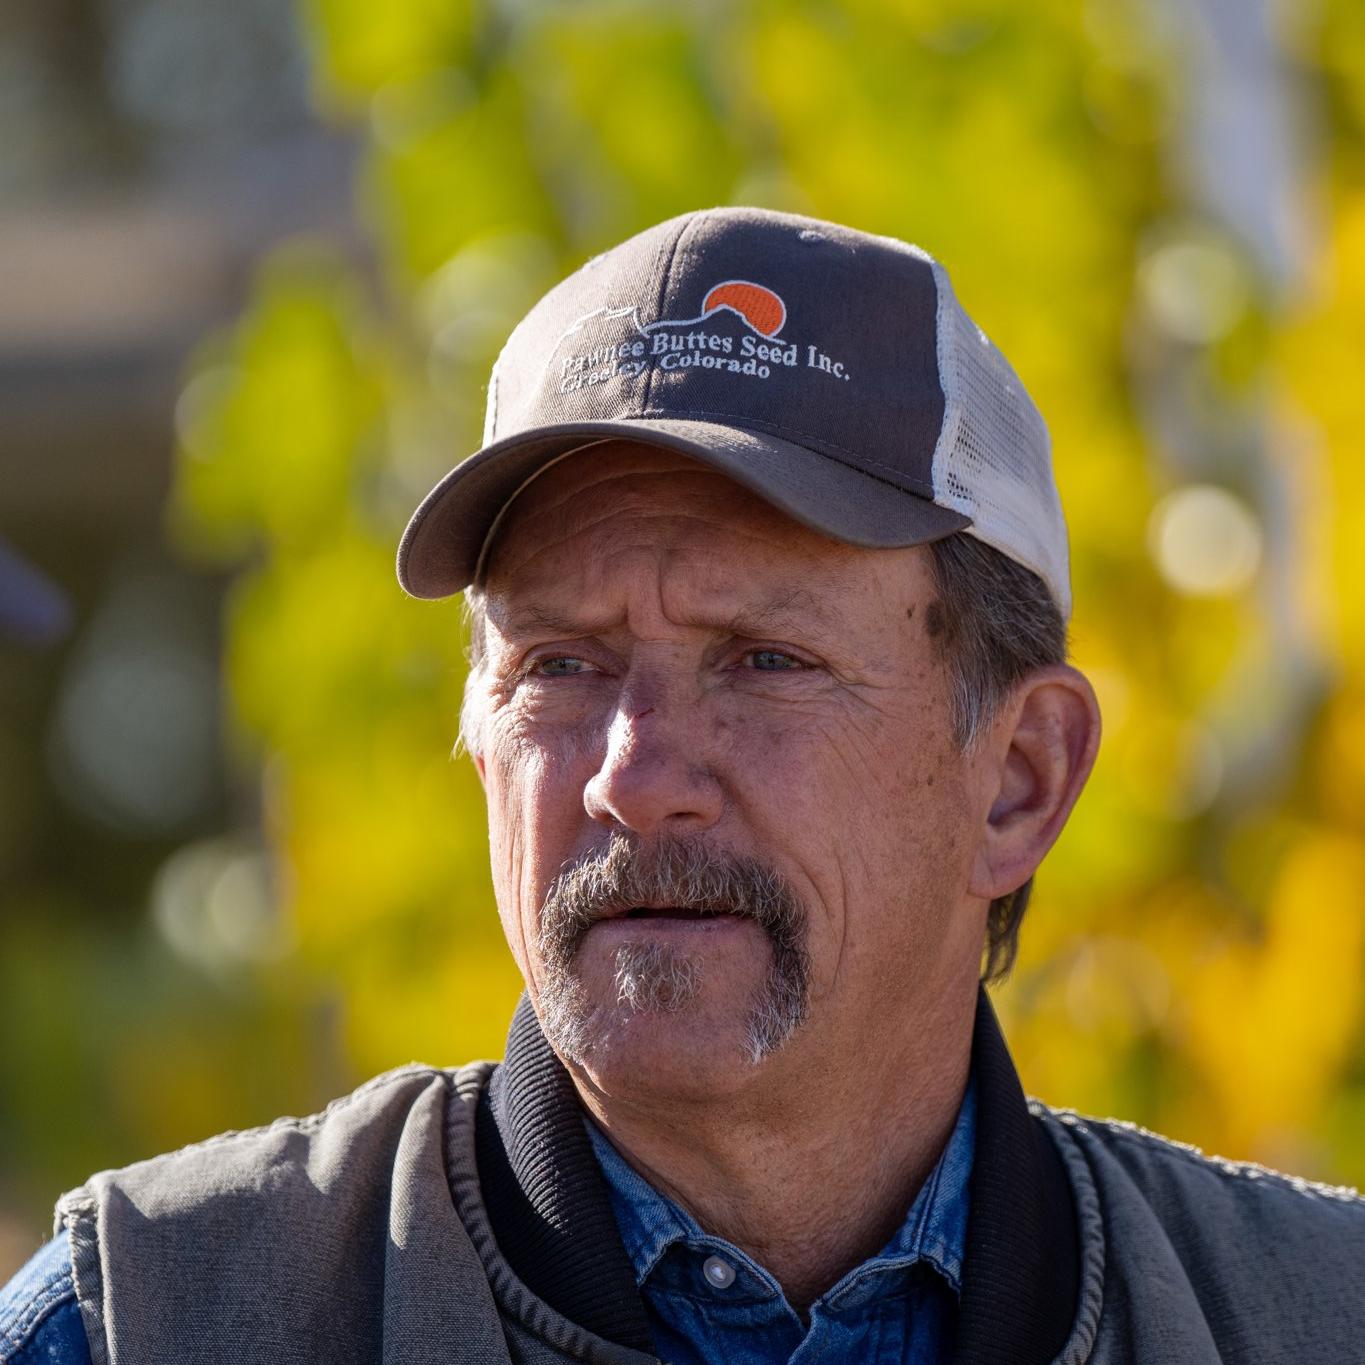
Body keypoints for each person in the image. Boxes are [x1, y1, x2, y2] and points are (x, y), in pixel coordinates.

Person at [3, 207, 1361, 1365]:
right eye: (561, 664)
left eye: (763, 659)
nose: (635, 776)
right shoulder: (138, 1322)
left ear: (1017, 778)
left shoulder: (1310, 1316)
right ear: (475, 731)